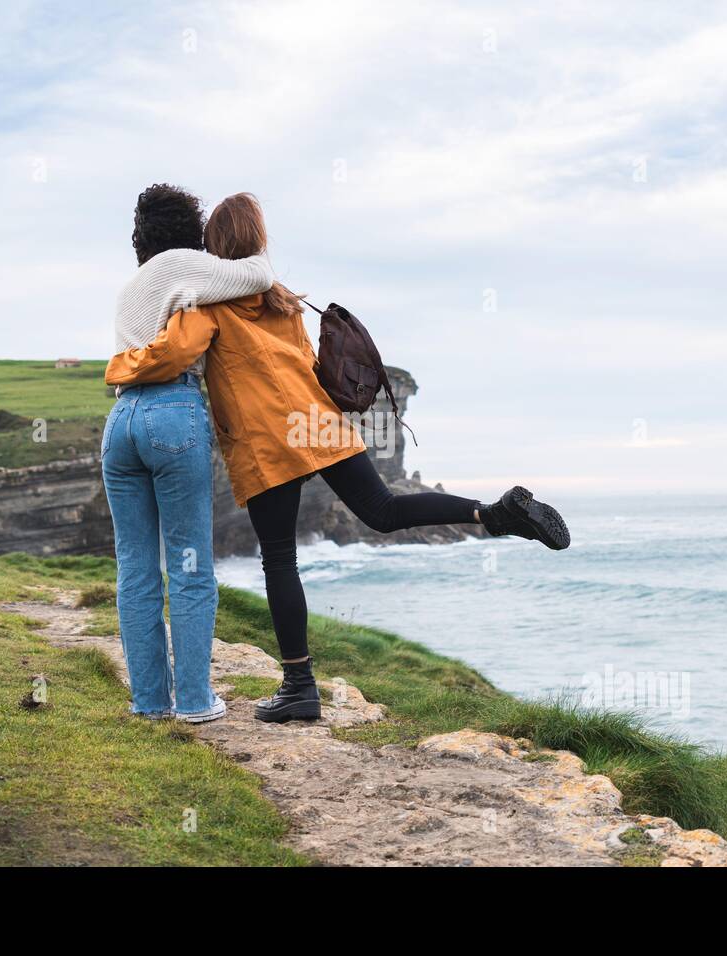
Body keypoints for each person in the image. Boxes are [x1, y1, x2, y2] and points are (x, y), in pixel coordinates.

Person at [105, 193, 570, 723]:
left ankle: (300, 687)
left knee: (280, 558)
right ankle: (492, 513)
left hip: (267, 439)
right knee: (384, 510)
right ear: (257, 241)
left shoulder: (208, 303)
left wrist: (120, 367)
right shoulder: (281, 298)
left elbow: (175, 353)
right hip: (316, 421)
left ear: (212, 248)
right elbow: (305, 360)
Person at [101, 184, 275, 723]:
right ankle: (197, 702)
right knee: (190, 564)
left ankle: (149, 702)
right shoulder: (182, 264)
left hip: (121, 420)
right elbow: (259, 275)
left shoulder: (130, 287)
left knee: (135, 567)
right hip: (173, 413)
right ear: (189, 229)